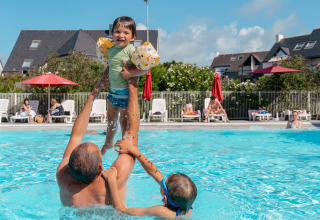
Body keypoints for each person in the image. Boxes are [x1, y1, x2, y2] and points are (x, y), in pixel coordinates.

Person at [56, 76, 140, 207]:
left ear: (70, 164)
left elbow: (76, 137)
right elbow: (133, 132)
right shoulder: (114, 181)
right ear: (101, 167)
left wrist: (93, 95)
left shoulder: (62, 176)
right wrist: (132, 85)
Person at [106, 138, 197, 218]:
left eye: (164, 181)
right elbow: (154, 171)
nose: (162, 179)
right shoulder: (186, 207)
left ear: (164, 199)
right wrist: (132, 149)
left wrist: (112, 180)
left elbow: (122, 211)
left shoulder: (161, 211)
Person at [98, 16, 148, 155]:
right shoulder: (111, 50)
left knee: (123, 122)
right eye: (118, 32)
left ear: (133, 37)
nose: (121, 35)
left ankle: (123, 145)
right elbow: (111, 65)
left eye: (126, 33)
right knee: (111, 120)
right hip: (113, 92)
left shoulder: (131, 51)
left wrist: (130, 73)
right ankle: (108, 143)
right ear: (112, 33)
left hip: (126, 93)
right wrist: (104, 77)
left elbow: (145, 68)